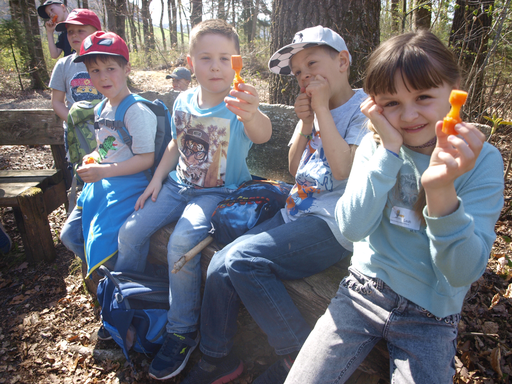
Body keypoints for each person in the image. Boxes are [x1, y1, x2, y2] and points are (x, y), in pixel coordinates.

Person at [284, 30, 504, 384]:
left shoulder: (480, 161)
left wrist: (441, 189)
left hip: (431, 314)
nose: (408, 115)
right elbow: (351, 229)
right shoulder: (378, 142)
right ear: (374, 103)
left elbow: (462, 271)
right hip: (362, 292)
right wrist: (387, 153)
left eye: (424, 97)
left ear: (454, 91)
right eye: (391, 102)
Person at [182, 25, 368, 384]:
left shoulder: (363, 110)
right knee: (220, 263)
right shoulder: (316, 111)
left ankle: (298, 358)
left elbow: (345, 171)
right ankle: (217, 356)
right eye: (298, 72)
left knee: (243, 260)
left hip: (333, 224)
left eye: (312, 63)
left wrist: (322, 113)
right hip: (297, 210)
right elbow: (295, 169)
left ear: (343, 61)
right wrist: (306, 122)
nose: (304, 76)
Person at [114, 19, 272, 380]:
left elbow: (261, 134)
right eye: (205, 58)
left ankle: (181, 330)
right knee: (131, 233)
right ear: (191, 61)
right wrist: (156, 179)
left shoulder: (237, 104)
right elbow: (175, 143)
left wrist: (253, 112)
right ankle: (136, 307)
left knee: (181, 244)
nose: (214, 66)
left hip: (219, 193)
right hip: (175, 186)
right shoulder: (183, 99)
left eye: (222, 58)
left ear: (234, 62)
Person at [60, 31, 157, 280]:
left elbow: (146, 159)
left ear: (126, 68)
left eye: (110, 68)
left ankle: (120, 286)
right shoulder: (102, 107)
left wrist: (105, 170)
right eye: (95, 71)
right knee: (69, 235)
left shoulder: (135, 111)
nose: (103, 77)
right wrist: (94, 156)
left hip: (131, 186)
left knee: (105, 244)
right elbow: (108, 145)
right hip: (106, 181)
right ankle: (103, 278)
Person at [48, 8, 104, 154]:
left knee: (105, 166)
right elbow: (57, 101)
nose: (74, 35)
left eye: (80, 30)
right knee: (80, 170)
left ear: (96, 33)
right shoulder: (63, 65)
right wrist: (74, 121)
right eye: (70, 31)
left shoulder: (107, 63)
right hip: (75, 133)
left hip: (105, 129)